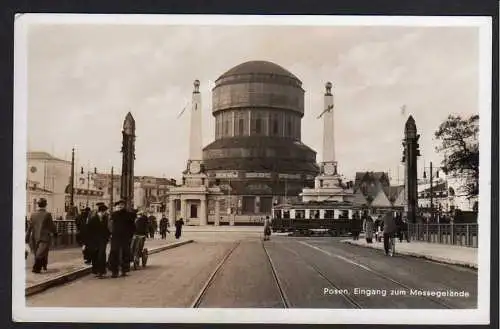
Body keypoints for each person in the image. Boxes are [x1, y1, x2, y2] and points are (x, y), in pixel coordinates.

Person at [25, 198, 57, 273]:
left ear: (38, 205)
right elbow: (51, 225)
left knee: (37, 253)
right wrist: (55, 233)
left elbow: (29, 228)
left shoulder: (33, 214)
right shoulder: (47, 214)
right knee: (42, 252)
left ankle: (43, 266)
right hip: (45, 237)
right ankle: (37, 268)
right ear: (45, 205)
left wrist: (26, 239)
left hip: (35, 237)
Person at [108, 200, 135, 278]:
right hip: (116, 236)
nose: (121, 206)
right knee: (114, 252)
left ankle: (124, 270)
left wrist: (130, 235)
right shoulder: (114, 215)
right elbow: (110, 225)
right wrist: (110, 234)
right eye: (119, 205)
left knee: (125, 253)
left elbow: (132, 226)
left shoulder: (129, 215)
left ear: (124, 206)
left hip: (125, 237)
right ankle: (114, 271)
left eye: (122, 205)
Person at [86, 203, 111, 278]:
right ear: (101, 212)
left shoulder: (105, 219)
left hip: (103, 240)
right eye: (104, 212)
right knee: (95, 255)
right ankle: (96, 271)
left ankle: (101, 272)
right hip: (94, 240)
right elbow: (88, 230)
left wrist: (107, 237)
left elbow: (107, 229)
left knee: (101, 255)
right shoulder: (93, 219)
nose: (105, 213)